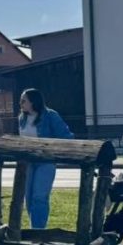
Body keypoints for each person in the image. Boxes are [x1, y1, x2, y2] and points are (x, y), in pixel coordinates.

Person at [17, 88, 74, 229]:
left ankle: (38, 231)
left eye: (24, 100)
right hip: (28, 162)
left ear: (33, 101)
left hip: (46, 162)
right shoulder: (22, 118)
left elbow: (66, 136)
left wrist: (53, 149)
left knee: (39, 197)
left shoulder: (50, 115)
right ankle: (35, 229)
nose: (21, 103)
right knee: (28, 198)